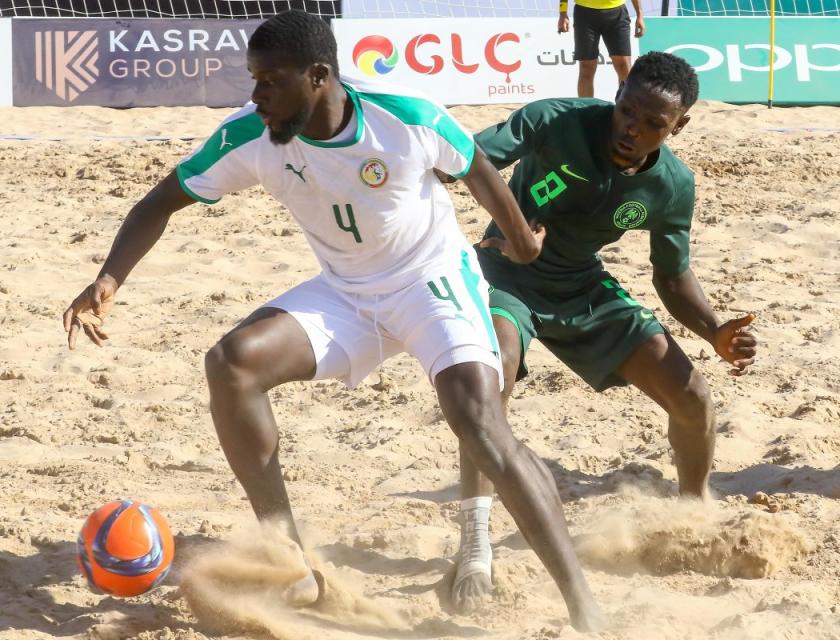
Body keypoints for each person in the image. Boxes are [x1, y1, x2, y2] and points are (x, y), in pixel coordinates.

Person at [62, 10, 606, 632]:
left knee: (477, 418)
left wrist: (523, 243)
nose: (256, 94)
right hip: (346, 293)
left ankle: (583, 608)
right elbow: (162, 198)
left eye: (270, 80)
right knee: (232, 363)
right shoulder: (248, 137)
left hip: (430, 280)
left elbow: (476, 168)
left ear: (319, 76)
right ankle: (289, 559)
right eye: (253, 78)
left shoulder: (407, 118)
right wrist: (108, 278)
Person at [447, 52, 758, 612]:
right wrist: (517, 231)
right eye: (626, 110)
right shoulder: (555, 120)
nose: (631, 128)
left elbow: (671, 273)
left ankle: (692, 510)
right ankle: (474, 544)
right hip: (505, 274)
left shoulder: (672, 185)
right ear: (617, 98)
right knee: (491, 383)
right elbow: (465, 159)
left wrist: (713, 330)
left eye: (652, 123)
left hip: (584, 288)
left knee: (693, 397)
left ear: (678, 126)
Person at [558, 0, 645, 97]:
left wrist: (639, 14)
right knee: (586, 68)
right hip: (584, 14)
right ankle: (585, 110)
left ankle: (627, 110)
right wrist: (563, 13)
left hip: (617, 14)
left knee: (624, 67)